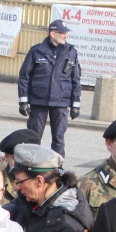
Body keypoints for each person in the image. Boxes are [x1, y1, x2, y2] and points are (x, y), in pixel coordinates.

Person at [17, 19, 81, 155]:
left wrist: (76, 104)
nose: (65, 36)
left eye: (66, 33)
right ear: (52, 34)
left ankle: (57, 166)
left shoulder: (71, 52)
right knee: (33, 137)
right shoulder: (36, 51)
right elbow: (24, 76)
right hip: (39, 101)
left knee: (58, 138)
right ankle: (31, 163)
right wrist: (23, 101)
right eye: (62, 33)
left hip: (60, 102)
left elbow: (75, 79)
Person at [0, 129, 42, 203]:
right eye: (16, 159)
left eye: (28, 159)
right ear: (6, 156)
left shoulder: (44, 182)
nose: (22, 164)